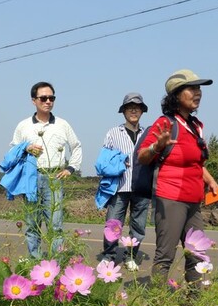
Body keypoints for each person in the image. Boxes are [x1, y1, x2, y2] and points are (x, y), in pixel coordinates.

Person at [137, 70, 218, 284]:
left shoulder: (196, 125)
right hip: (171, 198)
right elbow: (142, 156)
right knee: (165, 255)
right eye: (192, 88)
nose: (198, 93)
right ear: (176, 95)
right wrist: (158, 145)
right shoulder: (166, 123)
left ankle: (193, 304)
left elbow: (195, 162)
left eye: (199, 88)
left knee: (197, 253)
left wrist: (210, 181)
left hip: (194, 200)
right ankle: (157, 305)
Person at [11, 81, 82, 258]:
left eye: (51, 98)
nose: (48, 101)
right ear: (33, 100)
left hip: (54, 177)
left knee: (55, 224)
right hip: (32, 177)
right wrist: (26, 148)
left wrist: (71, 168)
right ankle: (35, 261)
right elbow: (13, 148)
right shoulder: (24, 126)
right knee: (32, 223)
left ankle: (55, 263)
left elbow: (77, 146)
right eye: (43, 98)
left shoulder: (62, 124)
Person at [98, 93, 150, 270]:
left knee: (139, 225)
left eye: (137, 107)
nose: (134, 110)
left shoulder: (148, 134)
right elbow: (104, 161)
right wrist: (120, 160)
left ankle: (130, 256)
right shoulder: (113, 133)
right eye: (130, 107)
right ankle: (109, 255)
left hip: (142, 187)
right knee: (113, 223)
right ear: (124, 111)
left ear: (142, 111)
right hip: (119, 186)